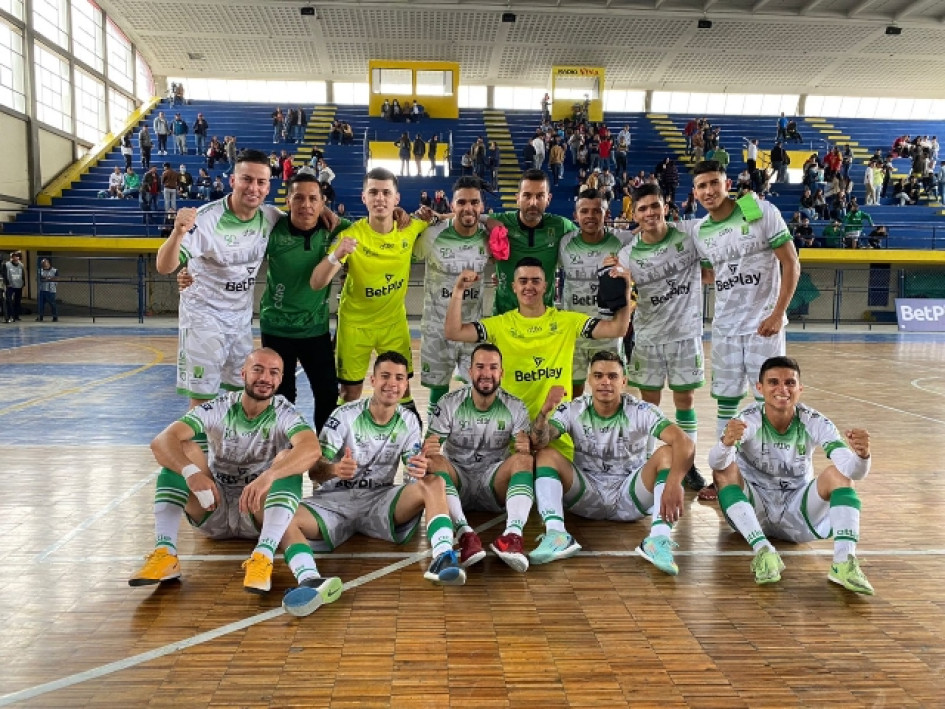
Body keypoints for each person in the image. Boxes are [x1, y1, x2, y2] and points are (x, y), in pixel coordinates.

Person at [127, 348, 340, 613]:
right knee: (181, 451)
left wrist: (268, 477)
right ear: (243, 374)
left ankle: (262, 556)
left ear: (281, 379)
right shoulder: (219, 406)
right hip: (213, 505)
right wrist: (191, 474)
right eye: (258, 369)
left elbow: (311, 450)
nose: (265, 377)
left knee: (288, 459)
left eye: (273, 373)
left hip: (255, 511)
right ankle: (165, 553)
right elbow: (161, 441)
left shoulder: (285, 412)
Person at [282, 351, 466, 592]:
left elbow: (413, 474)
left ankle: (442, 557)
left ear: (405, 385)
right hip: (334, 502)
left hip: (380, 500)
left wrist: (420, 467)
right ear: (373, 380)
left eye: (399, 378)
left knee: (433, 483)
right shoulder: (344, 416)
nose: (392, 384)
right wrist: (335, 469)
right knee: (283, 517)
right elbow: (314, 473)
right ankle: (308, 579)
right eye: (385, 376)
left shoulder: (409, 420)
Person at [708, 356, 874, 595]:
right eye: (773, 382)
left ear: (800, 388)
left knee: (840, 477)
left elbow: (852, 472)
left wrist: (862, 456)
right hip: (755, 509)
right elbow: (715, 462)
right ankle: (764, 551)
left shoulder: (816, 421)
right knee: (724, 468)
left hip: (797, 512)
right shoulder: (748, 419)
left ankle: (844, 562)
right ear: (760, 388)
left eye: (789, 383)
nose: (782, 389)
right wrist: (726, 443)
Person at [690, 160, 800, 494]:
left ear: (726, 184)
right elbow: (712, 275)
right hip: (724, 327)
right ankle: (724, 475)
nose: (708, 191)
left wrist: (778, 313)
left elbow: (790, 261)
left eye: (714, 183)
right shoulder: (700, 231)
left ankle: (766, 475)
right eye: (701, 186)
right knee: (725, 401)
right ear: (695, 193)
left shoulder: (759, 210)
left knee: (765, 399)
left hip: (762, 325)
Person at [528, 351, 694, 571]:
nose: (605, 382)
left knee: (667, 453)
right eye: (598, 376)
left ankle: (658, 540)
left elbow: (685, 442)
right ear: (589, 381)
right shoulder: (573, 408)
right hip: (586, 493)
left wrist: (674, 483)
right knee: (545, 454)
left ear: (624, 382)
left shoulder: (641, 410)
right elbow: (538, 442)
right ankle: (557, 534)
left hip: (630, 495)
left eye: (612, 376)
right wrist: (544, 411)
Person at [155, 149, 282, 411]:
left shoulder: (271, 218)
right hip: (204, 317)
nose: (253, 188)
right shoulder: (206, 219)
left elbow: (309, 223)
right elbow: (164, 266)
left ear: (268, 186)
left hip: (240, 319)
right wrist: (177, 234)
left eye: (261, 182)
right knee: (203, 398)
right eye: (246, 179)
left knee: (242, 391)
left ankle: (232, 450)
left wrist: (333, 219)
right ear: (232, 181)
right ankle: (198, 451)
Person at [308, 168, 429, 415]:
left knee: (402, 389)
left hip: (393, 324)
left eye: (386, 193)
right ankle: (344, 447)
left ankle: (411, 445)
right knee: (350, 393)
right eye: (373, 192)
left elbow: (442, 216)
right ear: (364, 197)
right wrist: (336, 255)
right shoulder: (349, 236)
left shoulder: (411, 227)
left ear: (397, 199)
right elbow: (317, 282)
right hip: (355, 325)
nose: (380, 198)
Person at [617, 184, 708, 491]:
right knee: (650, 404)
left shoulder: (689, 235)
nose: (649, 213)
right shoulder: (628, 253)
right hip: (648, 336)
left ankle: (688, 464)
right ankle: (647, 461)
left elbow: (726, 227)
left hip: (685, 334)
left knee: (686, 400)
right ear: (634, 214)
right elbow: (623, 292)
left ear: (666, 205)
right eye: (642, 208)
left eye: (655, 205)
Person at [424, 344, 534, 571]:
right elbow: (430, 449)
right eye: (480, 367)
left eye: (493, 367)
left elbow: (524, 453)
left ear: (501, 373)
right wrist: (428, 447)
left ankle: (512, 536)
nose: (486, 373)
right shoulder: (449, 403)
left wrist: (525, 446)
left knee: (525, 460)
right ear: (470, 371)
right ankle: (465, 534)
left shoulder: (515, 406)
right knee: (434, 461)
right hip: (458, 480)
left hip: (493, 482)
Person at [413, 176, 491, 417]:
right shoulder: (432, 234)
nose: (468, 208)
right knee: (438, 390)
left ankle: (473, 441)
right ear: (452, 205)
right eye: (461, 202)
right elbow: (407, 250)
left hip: (472, 328)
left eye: (474, 202)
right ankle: (432, 442)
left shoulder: (489, 235)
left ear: (482, 206)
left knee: (479, 389)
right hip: (437, 327)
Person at [558, 188, 632, 396]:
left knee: (611, 392)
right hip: (574, 333)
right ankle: (573, 429)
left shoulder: (623, 241)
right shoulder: (565, 243)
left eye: (597, 211)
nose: (590, 216)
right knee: (573, 393)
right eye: (584, 211)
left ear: (607, 214)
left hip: (608, 333)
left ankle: (611, 429)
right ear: (576, 215)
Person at [486, 169, 576, 315]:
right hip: (504, 317)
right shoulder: (500, 222)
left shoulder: (561, 226)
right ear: (517, 198)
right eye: (527, 195)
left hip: (544, 317)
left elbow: (591, 236)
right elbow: (467, 216)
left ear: (549, 199)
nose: (533, 202)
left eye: (540, 196)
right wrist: (439, 217)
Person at [2, 251, 24, 322]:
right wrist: (7, 283)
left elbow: (23, 274)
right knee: (9, 301)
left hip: (19, 285)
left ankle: (16, 316)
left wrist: (24, 283)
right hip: (10, 286)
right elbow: (4, 274)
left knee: (17, 301)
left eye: (17, 256)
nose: (15, 257)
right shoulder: (7, 265)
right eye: (14, 256)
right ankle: (9, 316)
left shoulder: (21, 265)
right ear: (12, 257)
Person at [36, 257, 58, 321]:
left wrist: (47, 278)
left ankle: (55, 317)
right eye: (42, 263)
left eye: (45, 262)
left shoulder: (54, 270)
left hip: (51, 290)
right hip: (42, 289)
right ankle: (40, 317)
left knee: (52, 304)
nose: (43, 264)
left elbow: (56, 278)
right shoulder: (40, 270)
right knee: (41, 304)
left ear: (48, 263)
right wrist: (46, 278)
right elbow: (38, 278)